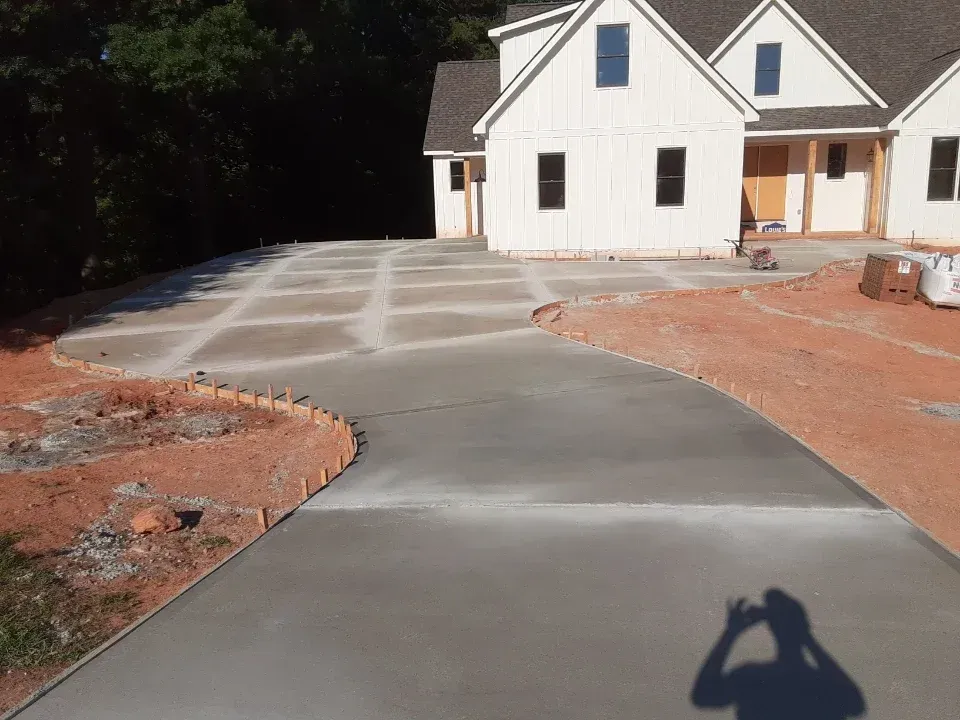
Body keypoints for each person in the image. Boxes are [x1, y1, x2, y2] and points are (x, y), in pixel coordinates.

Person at [691, 588, 865, 720]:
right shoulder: (825, 685)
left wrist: (731, 633)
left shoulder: (753, 678)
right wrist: (806, 636)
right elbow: (856, 705)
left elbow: (703, 695)